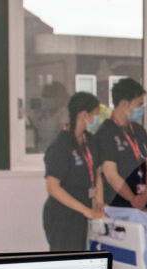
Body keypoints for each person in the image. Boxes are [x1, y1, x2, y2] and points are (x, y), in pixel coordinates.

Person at [42, 92, 106, 251]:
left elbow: (96, 173)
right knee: (65, 264)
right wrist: (86, 211)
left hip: (84, 211)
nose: (96, 120)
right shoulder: (61, 146)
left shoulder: (89, 140)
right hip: (63, 215)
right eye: (95, 115)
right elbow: (52, 188)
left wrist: (99, 202)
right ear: (84, 115)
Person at [96, 78, 147, 210]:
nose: (141, 109)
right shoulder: (106, 132)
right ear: (124, 104)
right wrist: (133, 200)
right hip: (120, 203)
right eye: (139, 105)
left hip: (143, 201)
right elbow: (111, 174)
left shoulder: (139, 131)